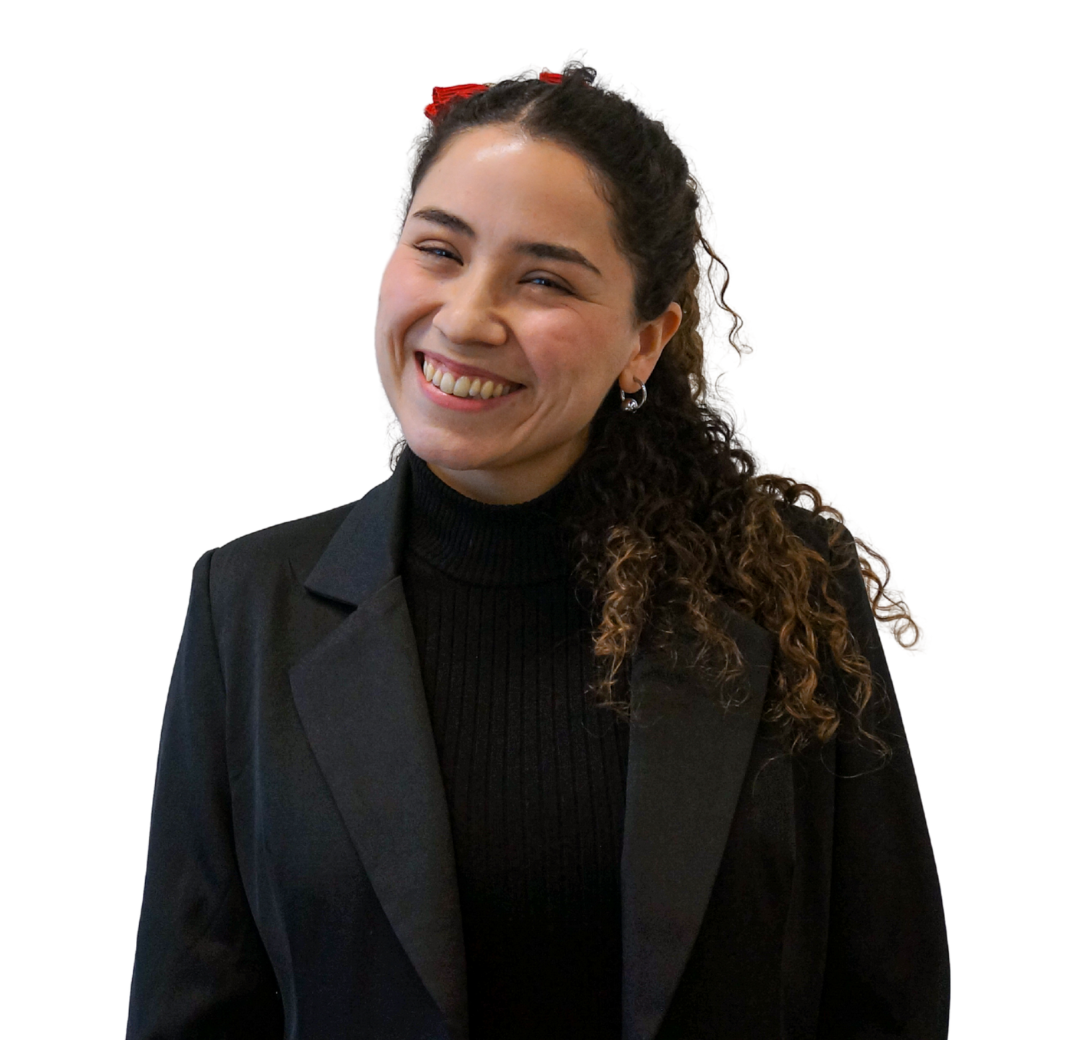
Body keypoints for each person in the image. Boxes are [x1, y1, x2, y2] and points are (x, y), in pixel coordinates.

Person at [126, 64, 949, 1040]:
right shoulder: (249, 605)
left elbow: (886, 997)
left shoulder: (787, 584)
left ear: (646, 341)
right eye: (440, 250)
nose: (466, 318)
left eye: (545, 279)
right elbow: (194, 1013)